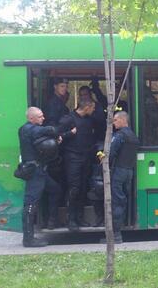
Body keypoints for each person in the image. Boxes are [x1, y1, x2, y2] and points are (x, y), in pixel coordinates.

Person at [18, 107, 63, 247]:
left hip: (40, 170)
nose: (43, 118)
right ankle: (28, 239)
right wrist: (56, 134)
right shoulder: (28, 129)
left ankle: (51, 220)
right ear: (31, 118)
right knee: (31, 203)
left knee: (56, 190)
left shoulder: (30, 130)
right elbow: (51, 130)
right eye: (40, 116)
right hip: (35, 172)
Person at [100, 111, 140, 244]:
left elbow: (110, 153)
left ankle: (115, 235)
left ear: (123, 120)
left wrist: (102, 158)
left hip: (119, 172)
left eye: (116, 120)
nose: (113, 123)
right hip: (129, 172)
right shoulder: (133, 136)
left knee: (117, 202)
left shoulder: (120, 135)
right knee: (122, 201)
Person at [59, 99, 96, 231]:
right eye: (93, 108)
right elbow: (58, 137)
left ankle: (79, 218)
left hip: (86, 158)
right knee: (73, 188)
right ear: (86, 107)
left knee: (82, 188)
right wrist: (69, 134)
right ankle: (71, 219)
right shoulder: (68, 120)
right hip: (72, 158)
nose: (94, 110)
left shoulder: (88, 120)